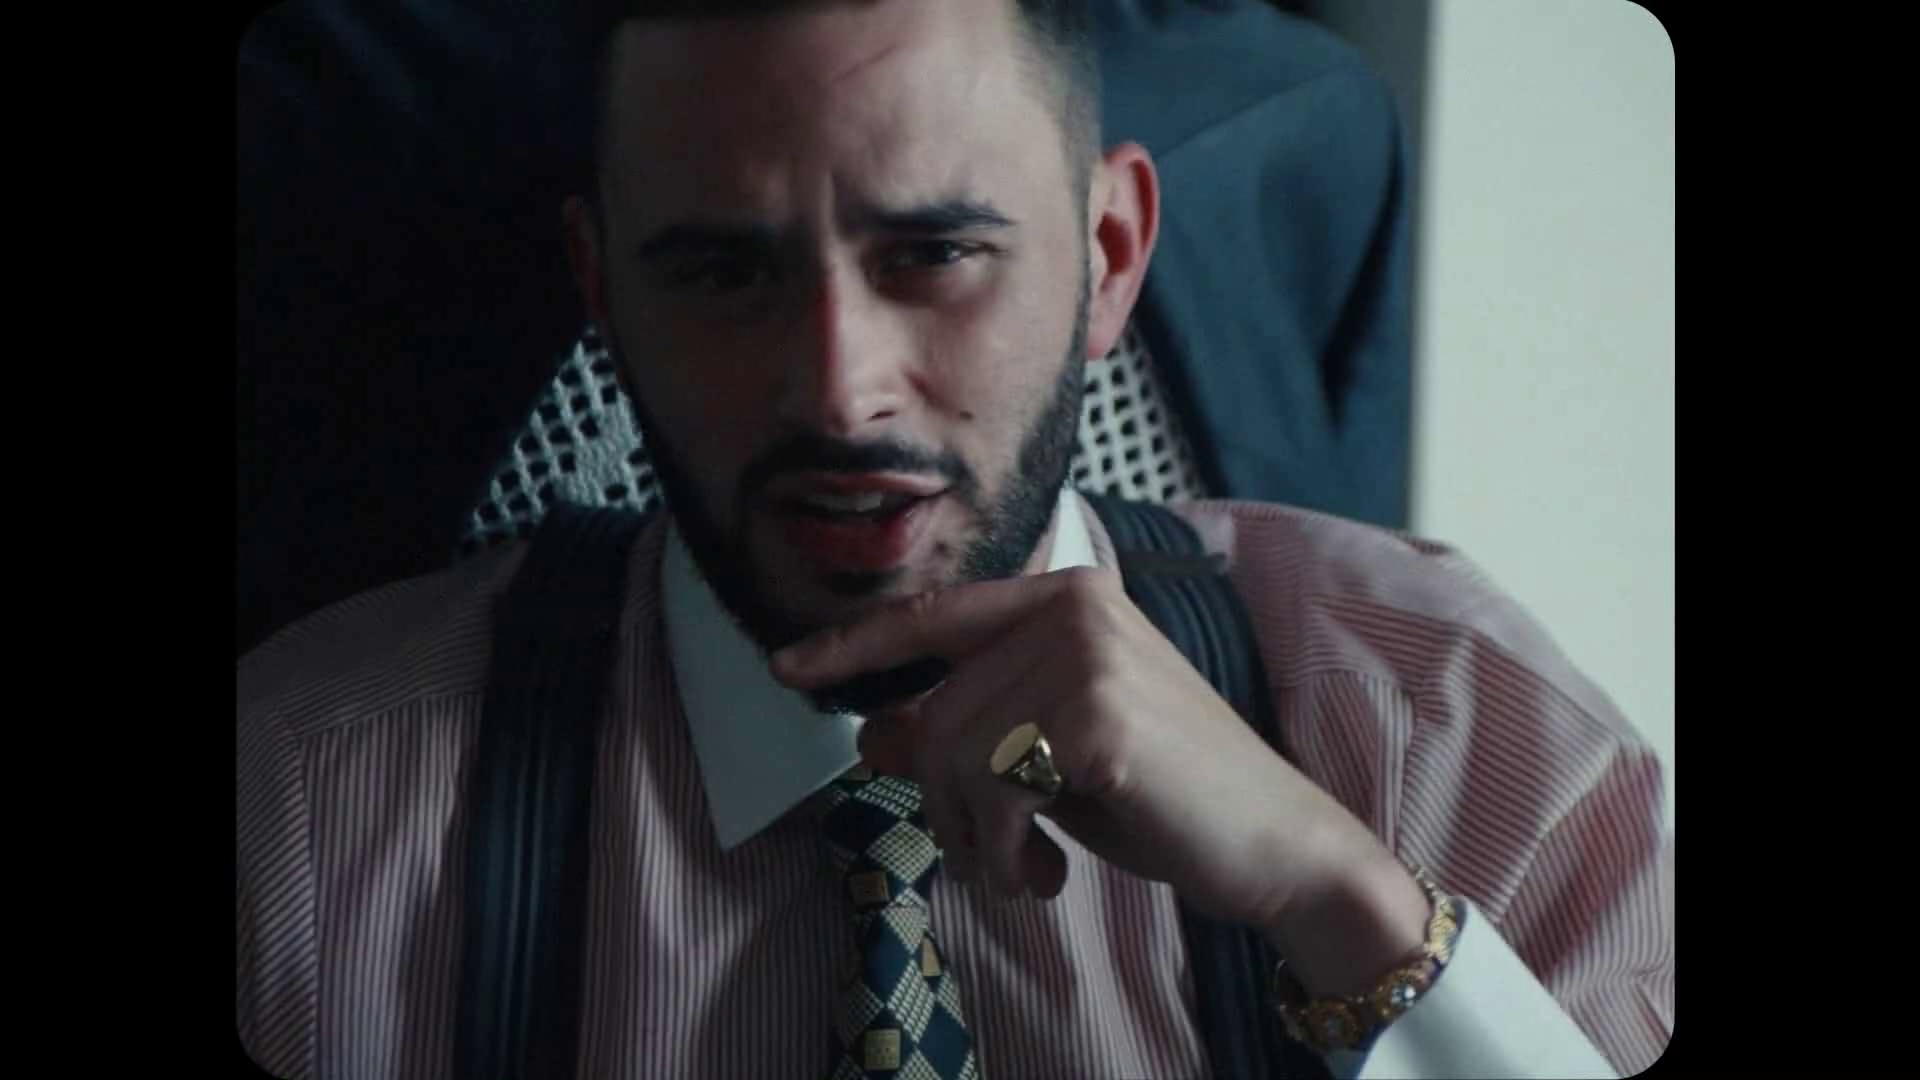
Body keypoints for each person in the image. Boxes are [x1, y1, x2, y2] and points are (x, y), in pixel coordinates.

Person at [235, 1, 1673, 1078]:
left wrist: (1341, 902)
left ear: (1108, 256)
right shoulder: (305, 818)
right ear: (600, 289)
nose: (840, 389)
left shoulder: (1451, 733)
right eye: (725, 273)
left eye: (933, 256)